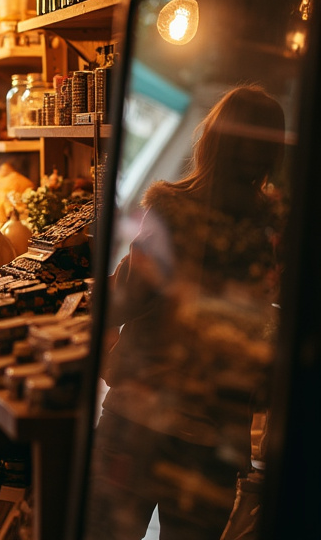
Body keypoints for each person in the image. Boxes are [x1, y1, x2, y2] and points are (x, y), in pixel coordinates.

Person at [86, 84, 287, 540]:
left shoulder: (172, 211)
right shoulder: (272, 230)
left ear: (209, 139)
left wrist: (113, 355)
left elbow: (122, 301)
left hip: (139, 421)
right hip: (216, 439)